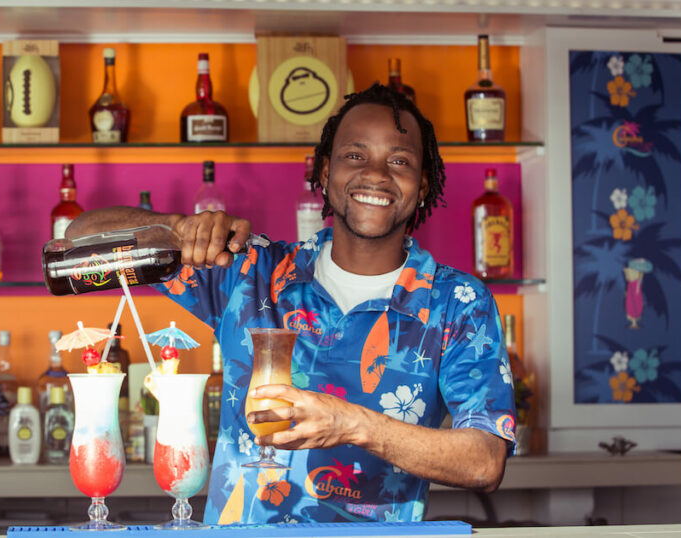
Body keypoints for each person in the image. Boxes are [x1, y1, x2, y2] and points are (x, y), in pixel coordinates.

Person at [66, 82, 515, 524]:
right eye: (354, 155)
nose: (376, 173)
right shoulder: (249, 270)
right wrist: (177, 228)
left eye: (399, 161)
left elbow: (485, 461)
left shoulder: (457, 304)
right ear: (323, 172)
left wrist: (351, 424)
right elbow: (78, 239)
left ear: (422, 185)